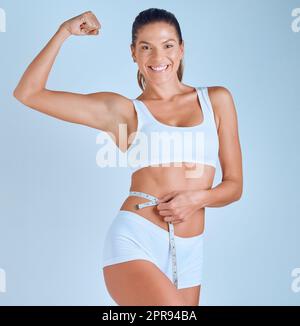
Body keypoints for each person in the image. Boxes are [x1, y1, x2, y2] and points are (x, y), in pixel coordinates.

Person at [13, 8, 243, 306]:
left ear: (182, 49)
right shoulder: (124, 112)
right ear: (133, 53)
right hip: (136, 239)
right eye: (146, 47)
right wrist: (64, 31)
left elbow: (234, 186)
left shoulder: (216, 100)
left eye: (168, 45)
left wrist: (196, 199)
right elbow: (28, 93)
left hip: (190, 248)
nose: (158, 57)